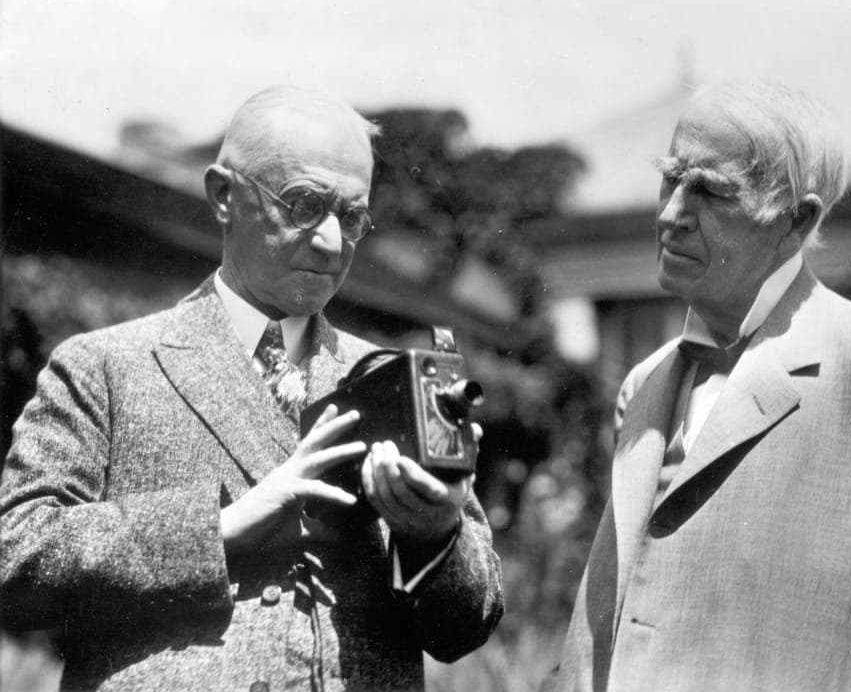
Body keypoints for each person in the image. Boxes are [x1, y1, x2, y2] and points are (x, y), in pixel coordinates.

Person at [0, 86, 503, 691]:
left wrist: (437, 535)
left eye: (351, 217)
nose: (329, 242)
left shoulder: (393, 379)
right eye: (303, 204)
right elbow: (15, 558)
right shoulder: (102, 366)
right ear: (223, 196)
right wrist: (220, 529)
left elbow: (467, 628)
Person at [553, 80, 851, 691]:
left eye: (710, 192)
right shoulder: (646, 382)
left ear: (797, 220)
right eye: (670, 179)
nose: (670, 214)